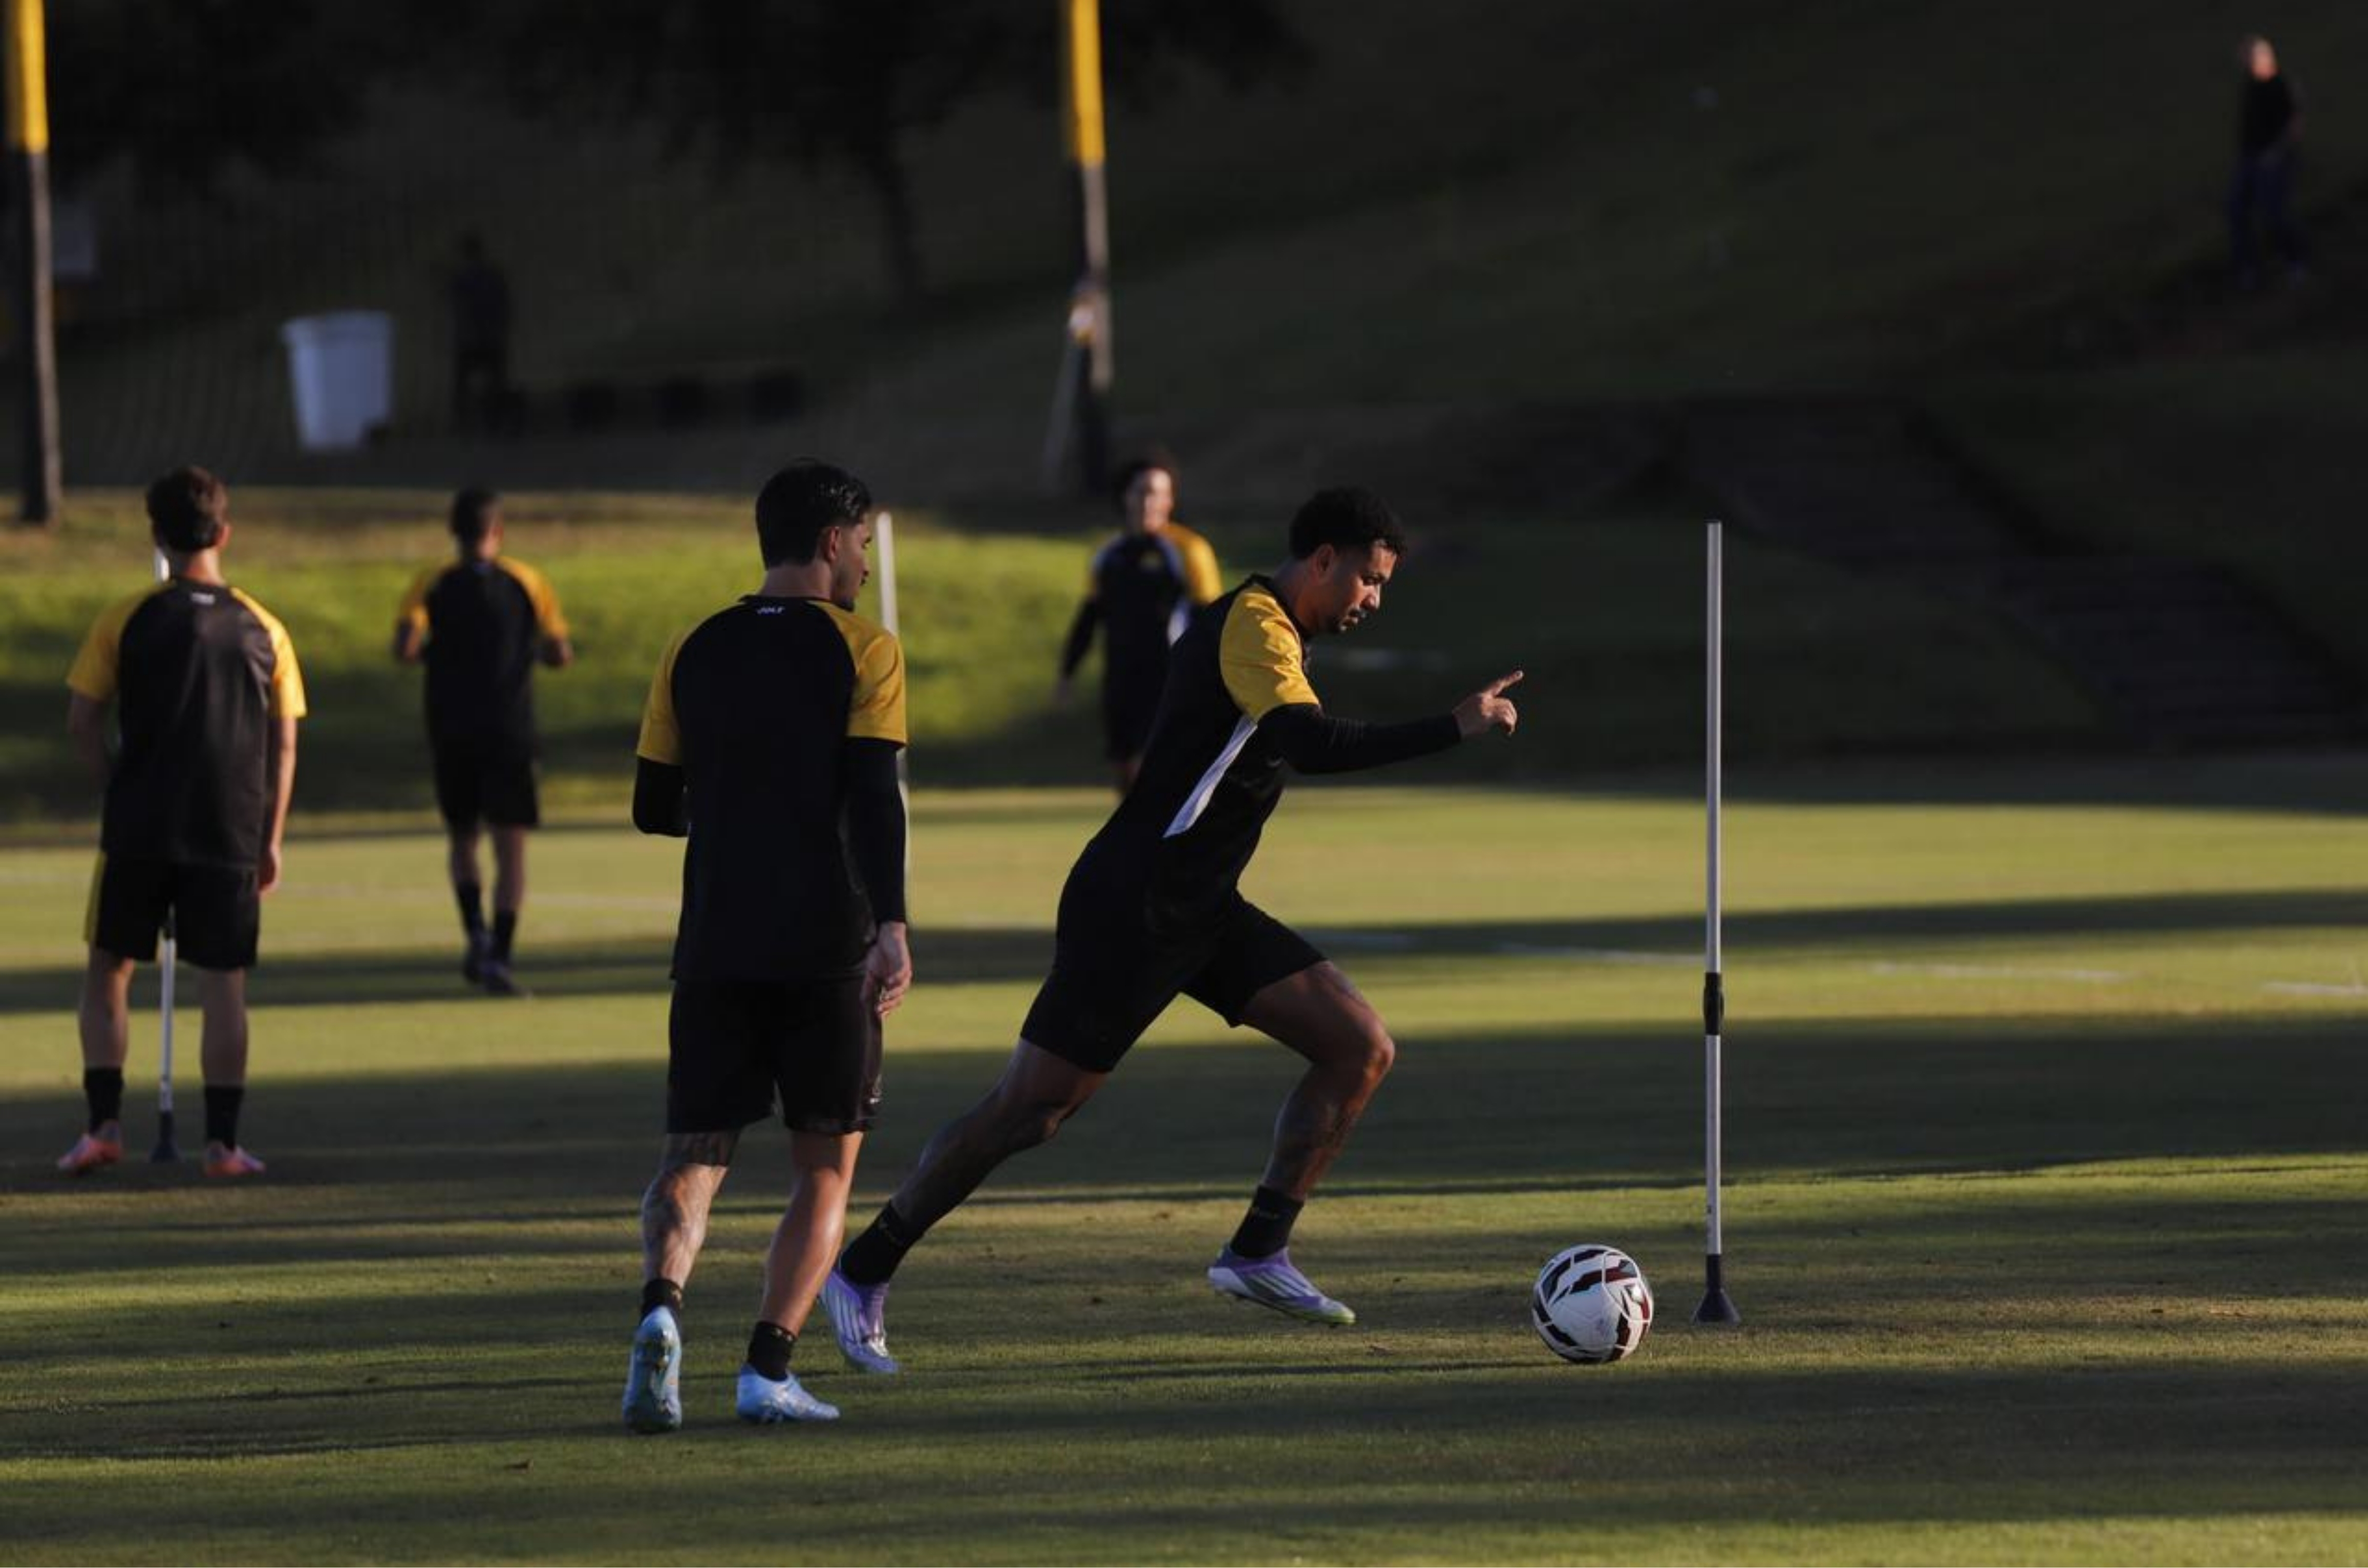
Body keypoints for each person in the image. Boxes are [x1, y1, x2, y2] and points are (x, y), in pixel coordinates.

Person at [821, 486, 1521, 1372]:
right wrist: (1455, 726)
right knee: (1029, 1111)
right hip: (1135, 904)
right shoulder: (1255, 625)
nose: (1374, 600)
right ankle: (861, 1268)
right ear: (1324, 559)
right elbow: (1311, 745)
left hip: (1202, 904)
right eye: (1370, 580)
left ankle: (1258, 1250)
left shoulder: (1286, 635)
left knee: (1359, 1046)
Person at [621, 460, 913, 1432]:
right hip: (826, 940)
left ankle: (661, 1310)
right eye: (862, 544)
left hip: (714, 937)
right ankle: (765, 1370)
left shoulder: (693, 647)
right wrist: (892, 925)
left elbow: (653, 807)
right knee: (824, 1167)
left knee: (695, 1148)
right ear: (831, 540)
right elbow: (874, 800)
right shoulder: (866, 650)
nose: (866, 563)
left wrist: (739, 801)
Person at [57, 467, 306, 1180]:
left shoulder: (128, 616)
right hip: (228, 828)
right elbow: (284, 740)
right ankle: (223, 1145)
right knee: (223, 980)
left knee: (109, 966)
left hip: (138, 822)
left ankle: (102, 1125)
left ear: (156, 536)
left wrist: (113, 784)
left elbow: (83, 717)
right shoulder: (266, 627)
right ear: (224, 533)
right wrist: (271, 835)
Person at [393, 489, 573, 997]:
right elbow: (560, 651)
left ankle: (474, 931)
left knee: (462, 837)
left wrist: (441, 653)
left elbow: (404, 647)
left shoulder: (432, 582)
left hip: (451, 729)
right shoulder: (527, 581)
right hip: (510, 730)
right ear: (497, 531)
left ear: (454, 531)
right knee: (510, 847)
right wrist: (525, 652)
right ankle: (501, 954)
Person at [1058, 452, 1223, 793]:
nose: (1148, 501)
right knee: (1124, 765)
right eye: (1140, 491)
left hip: (1169, 676)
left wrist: (1212, 676)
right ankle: (1133, 841)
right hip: (1120, 676)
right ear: (1125, 496)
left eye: (1157, 492)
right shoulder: (1109, 555)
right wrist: (1067, 672)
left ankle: (1165, 840)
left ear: (1170, 499)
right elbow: (1089, 617)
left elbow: (1211, 620)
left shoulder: (1188, 550)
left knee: (1163, 767)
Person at [2229, 34, 2306, 289]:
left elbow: (2294, 125)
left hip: (2274, 160)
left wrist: (2275, 153)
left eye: (2250, 57)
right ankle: (2248, 269)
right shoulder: (2250, 86)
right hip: (2249, 159)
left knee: (2274, 213)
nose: (2246, 63)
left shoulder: (2281, 85)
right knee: (2236, 211)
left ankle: (2295, 261)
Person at [450, 231, 514, 434]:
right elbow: (504, 305)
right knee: (494, 382)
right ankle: (492, 423)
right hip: (490, 337)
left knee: (465, 384)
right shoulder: (492, 275)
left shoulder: (466, 277)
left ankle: (467, 424)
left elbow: (458, 301)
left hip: (472, 338)